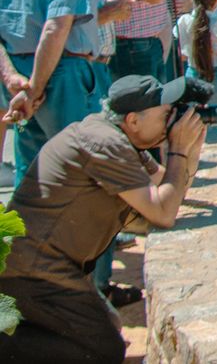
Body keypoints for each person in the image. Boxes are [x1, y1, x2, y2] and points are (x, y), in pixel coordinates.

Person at [0, 73, 205, 362]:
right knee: (101, 349)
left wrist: (189, 150)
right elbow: (163, 213)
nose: (171, 122)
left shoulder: (117, 136)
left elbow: (169, 190)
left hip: (46, 265)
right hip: (33, 270)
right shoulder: (106, 143)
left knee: (106, 329)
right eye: (166, 115)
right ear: (133, 120)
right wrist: (178, 150)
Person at [0, 0, 133, 191]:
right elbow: (56, 26)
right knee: (84, 169)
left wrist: (14, 81)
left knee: (32, 172)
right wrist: (36, 88)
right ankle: (91, 241)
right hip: (61, 74)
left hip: (18, 74)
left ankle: (28, 239)